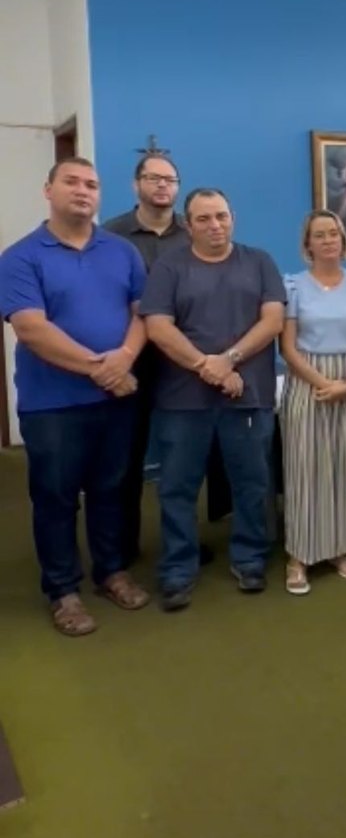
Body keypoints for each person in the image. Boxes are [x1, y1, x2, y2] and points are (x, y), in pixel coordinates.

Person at [0, 157, 150, 635]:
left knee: (112, 490)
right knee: (56, 498)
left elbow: (143, 314)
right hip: (52, 405)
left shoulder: (122, 251)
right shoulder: (21, 257)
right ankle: (63, 590)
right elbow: (31, 328)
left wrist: (126, 356)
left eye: (91, 184)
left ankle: (111, 572)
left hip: (115, 400)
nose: (83, 191)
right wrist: (104, 370)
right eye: (71, 182)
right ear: (49, 191)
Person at [140, 188, 286, 611]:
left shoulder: (259, 261)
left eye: (221, 216)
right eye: (203, 218)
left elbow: (273, 320)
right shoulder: (170, 267)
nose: (214, 225)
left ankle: (250, 557)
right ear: (188, 225)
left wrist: (229, 359)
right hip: (182, 400)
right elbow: (157, 326)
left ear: (232, 217)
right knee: (177, 488)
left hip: (248, 394)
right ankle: (178, 568)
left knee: (251, 482)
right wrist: (206, 365)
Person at [280, 210, 346, 595]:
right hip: (308, 381)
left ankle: (339, 547)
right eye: (319, 235)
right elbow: (287, 347)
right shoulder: (293, 286)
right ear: (308, 244)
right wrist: (324, 383)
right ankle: (299, 555)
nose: (328, 240)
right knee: (306, 469)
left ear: (343, 239)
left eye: (333, 233)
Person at [103, 153, 190, 567]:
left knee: (180, 459)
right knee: (125, 458)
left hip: (180, 362)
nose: (162, 185)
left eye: (169, 179)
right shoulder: (112, 235)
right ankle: (122, 548)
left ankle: (181, 546)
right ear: (136, 184)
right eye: (153, 178)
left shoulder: (192, 234)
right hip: (132, 360)